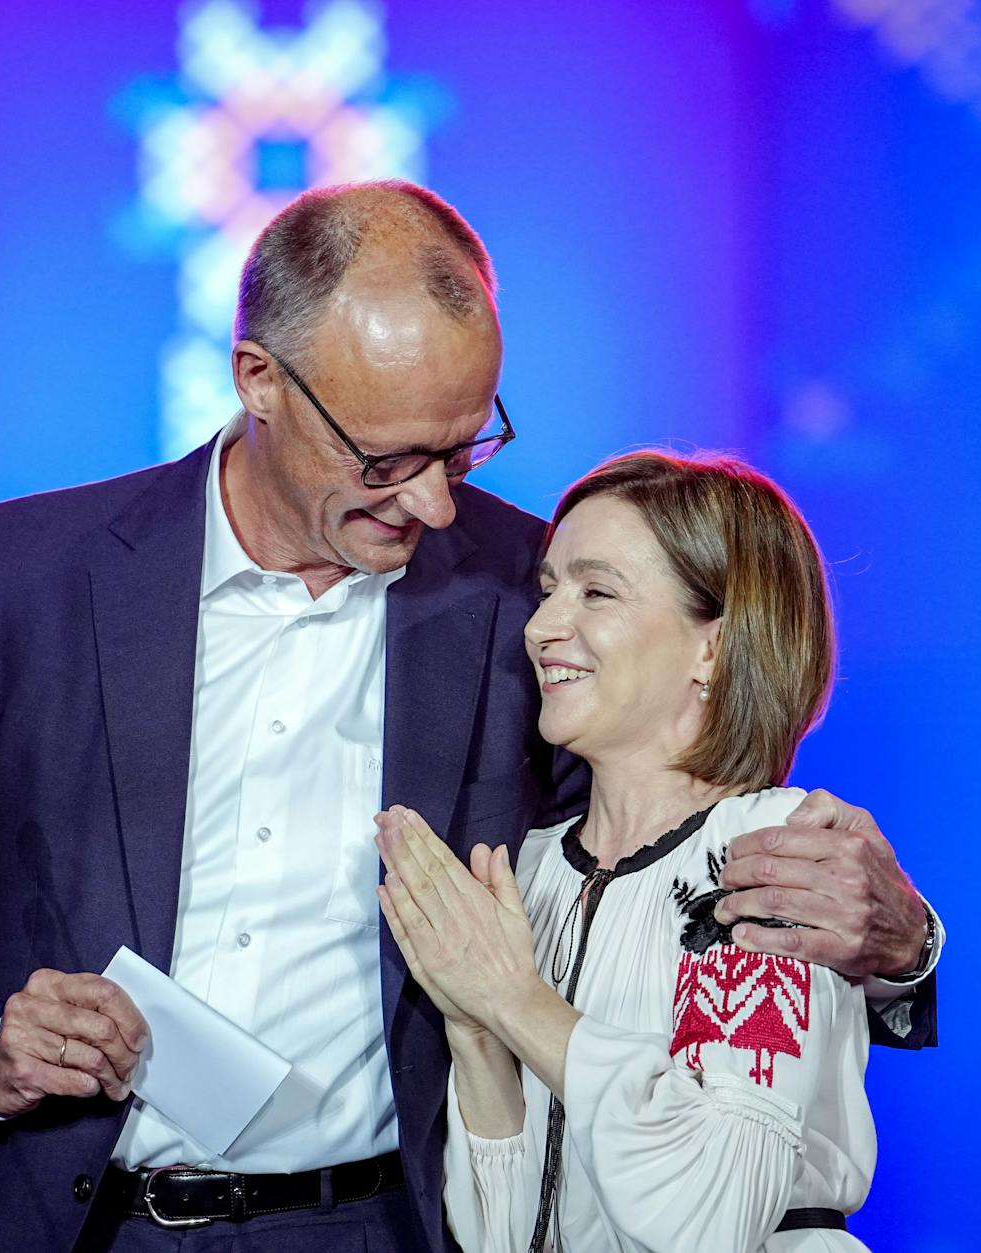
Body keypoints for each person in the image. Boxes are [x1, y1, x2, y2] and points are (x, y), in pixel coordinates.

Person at [0, 182, 940, 1253]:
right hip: (63, 1220)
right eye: (389, 458)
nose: (435, 502)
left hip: (387, 1225)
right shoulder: (19, 579)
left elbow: (665, 859)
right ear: (259, 379)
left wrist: (899, 953)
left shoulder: (524, 588)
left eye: (466, 443)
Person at [376, 452, 885, 1251]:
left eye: (596, 591)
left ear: (712, 649)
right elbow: (498, 1234)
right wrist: (474, 1030)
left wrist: (513, 999)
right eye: (548, 588)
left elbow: (707, 1215)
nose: (541, 626)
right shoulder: (535, 868)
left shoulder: (772, 860)